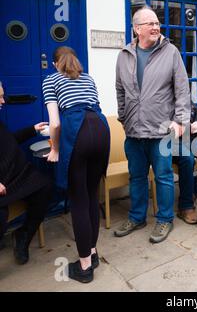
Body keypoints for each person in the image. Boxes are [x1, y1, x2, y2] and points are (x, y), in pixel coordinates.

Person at [114, 6, 190, 242]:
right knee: (136, 177)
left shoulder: (171, 52)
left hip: (161, 130)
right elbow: (120, 89)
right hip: (134, 131)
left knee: (164, 177)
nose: (156, 27)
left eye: (157, 23)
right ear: (137, 29)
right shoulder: (124, 55)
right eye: (150, 24)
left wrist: (180, 122)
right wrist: (123, 117)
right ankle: (137, 217)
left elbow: (182, 90)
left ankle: (164, 219)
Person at [43, 46, 110, 283]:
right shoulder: (88, 78)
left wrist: (54, 149)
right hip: (101, 129)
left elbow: (55, 123)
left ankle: (84, 268)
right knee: (92, 195)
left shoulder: (51, 80)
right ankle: (92, 253)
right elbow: (96, 108)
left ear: (55, 64)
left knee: (78, 200)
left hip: (77, 131)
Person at [0, 82, 52, 264]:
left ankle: (23, 235)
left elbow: (10, 140)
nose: (3, 101)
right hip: (2, 183)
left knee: (45, 187)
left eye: (3, 96)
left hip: (19, 173)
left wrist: (32, 130)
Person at [172, 103, 197, 224]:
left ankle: (194, 190)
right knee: (187, 158)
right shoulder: (164, 99)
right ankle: (185, 207)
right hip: (172, 142)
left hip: (190, 140)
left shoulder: (186, 100)